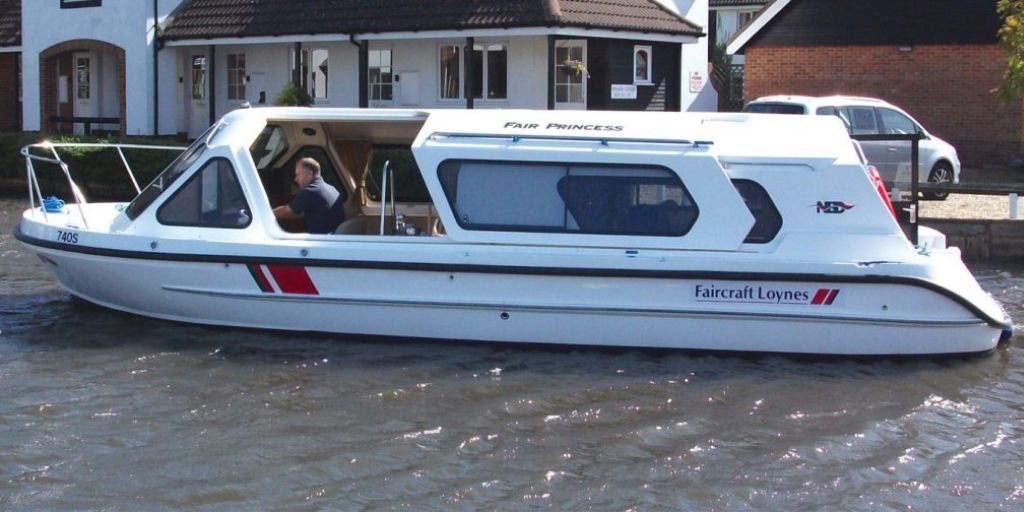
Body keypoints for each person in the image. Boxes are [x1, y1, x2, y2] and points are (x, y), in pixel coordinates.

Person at [273, 157, 345, 234]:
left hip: (321, 241)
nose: (295, 179)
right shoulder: (331, 188)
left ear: (309, 174)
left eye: (298, 175)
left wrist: (265, 214)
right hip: (334, 237)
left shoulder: (310, 191)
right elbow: (301, 212)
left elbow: (285, 211)